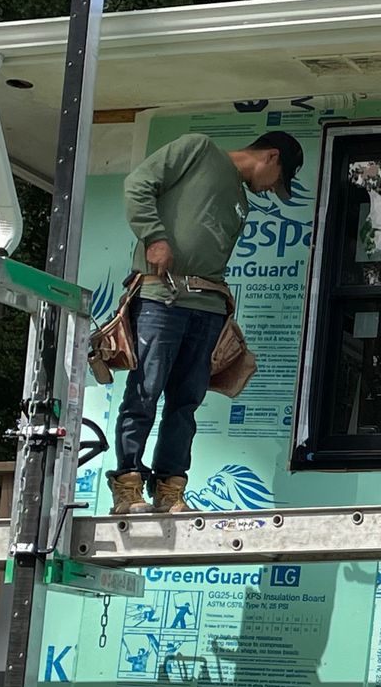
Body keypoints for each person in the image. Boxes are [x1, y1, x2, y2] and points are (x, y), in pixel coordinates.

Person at [106, 130, 302, 514]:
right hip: (161, 296)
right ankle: (128, 488)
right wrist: (154, 238)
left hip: (208, 307)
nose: (269, 190)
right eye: (275, 182)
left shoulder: (241, 202)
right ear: (271, 157)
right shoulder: (197, 149)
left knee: (186, 402)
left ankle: (170, 490)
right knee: (144, 392)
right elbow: (138, 185)